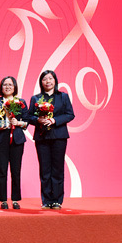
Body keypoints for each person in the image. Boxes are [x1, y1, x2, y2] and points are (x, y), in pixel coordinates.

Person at [29, 70, 75, 209]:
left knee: (57, 169)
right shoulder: (36, 98)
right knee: (45, 169)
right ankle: (46, 200)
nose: (48, 81)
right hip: (42, 137)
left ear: (55, 81)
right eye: (45, 79)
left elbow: (70, 114)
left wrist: (54, 120)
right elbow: (29, 117)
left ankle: (57, 200)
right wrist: (38, 120)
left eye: (50, 78)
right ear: (41, 82)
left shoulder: (63, 96)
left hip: (59, 136)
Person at [0, 76, 30, 210]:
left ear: (15, 87)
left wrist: (19, 123)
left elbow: (27, 121)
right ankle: (3, 200)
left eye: (10, 85)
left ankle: (15, 199)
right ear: (1, 87)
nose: (7, 87)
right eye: (5, 84)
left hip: (17, 139)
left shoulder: (21, 102)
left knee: (16, 170)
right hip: (0, 138)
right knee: (2, 170)